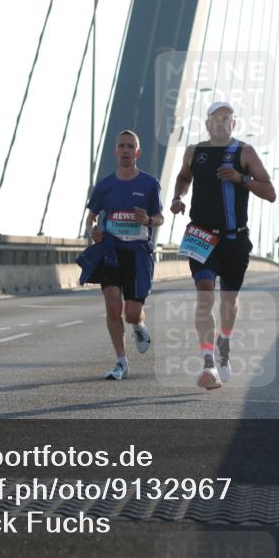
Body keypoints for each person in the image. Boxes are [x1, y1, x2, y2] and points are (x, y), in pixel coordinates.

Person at [170, 101, 276, 390]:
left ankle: (224, 343)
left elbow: (270, 192)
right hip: (201, 237)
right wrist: (178, 197)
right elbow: (183, 177)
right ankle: (208, 364)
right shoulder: (195, 152)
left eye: (226, 118)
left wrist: (241, 178)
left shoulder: (245, 153)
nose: (220, 123)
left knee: (228, 301)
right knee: (205, 296)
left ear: (234, 123)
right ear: (207, 124)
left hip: (234, 239)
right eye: (215, 119)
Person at [78, 130, 164, 380]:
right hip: (111, 251)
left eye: (130, 146)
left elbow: (159, 217)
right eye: (122, 146)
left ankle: (138, 325)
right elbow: (91, 217)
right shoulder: (104, 185)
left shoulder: (149, 184)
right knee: (113, 305)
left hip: (137, 254)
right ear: (116, 151)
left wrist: (148, 219)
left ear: (137, 152)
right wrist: (92, 231)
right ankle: (121, 362)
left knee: (132, 313)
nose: (126, 150)